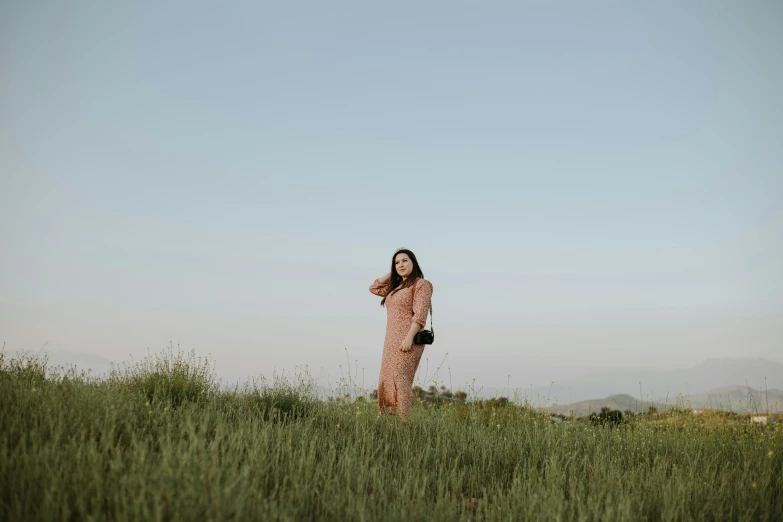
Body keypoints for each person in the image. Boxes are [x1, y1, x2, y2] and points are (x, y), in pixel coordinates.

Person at [369, 248, 433, 421]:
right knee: (386, 379)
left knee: (401, 380)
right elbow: (374, 287)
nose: (401, 265)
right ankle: (386, 419)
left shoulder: (421, 285)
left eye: (405, 261)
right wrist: (394, 271)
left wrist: (408, 338)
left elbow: (420, 315)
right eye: (397, 262)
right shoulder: (395, 287)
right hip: (390, 341)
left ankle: (402, 423)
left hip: (408, 340)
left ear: (413, 262)